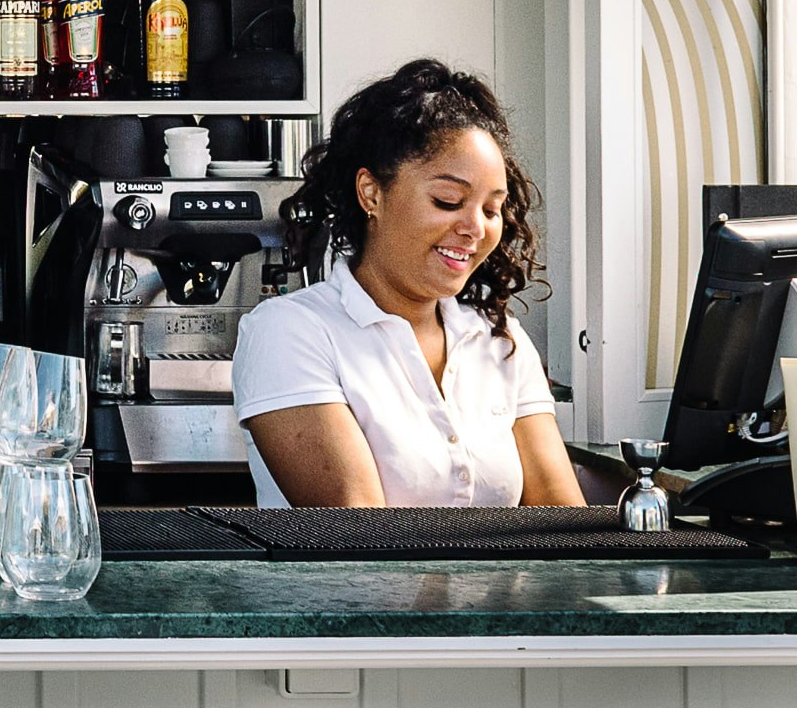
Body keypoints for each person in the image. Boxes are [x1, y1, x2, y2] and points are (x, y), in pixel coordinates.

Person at [231, 59, 583, 510]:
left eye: (492, 209)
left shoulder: (501, 340)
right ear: (371, 193)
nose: (475, 228)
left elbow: (563, 522)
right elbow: (360, 535)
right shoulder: (290, 332)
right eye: (448, 200)